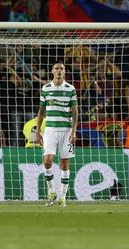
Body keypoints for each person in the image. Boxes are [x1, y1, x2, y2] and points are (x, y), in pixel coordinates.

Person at [35, 62, 78, 208]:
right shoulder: (46, 88)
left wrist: (74, 131)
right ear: (52, 71)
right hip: (50, 130)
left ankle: (63, 197)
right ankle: (52, 192)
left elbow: (75, 112)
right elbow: (41, 111)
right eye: (57, 68)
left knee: (64, 164)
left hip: (66, 130)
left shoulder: (70, 89)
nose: (59, 71)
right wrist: (37, 131)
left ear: (65, 72)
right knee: (47, 161)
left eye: (62, 69)